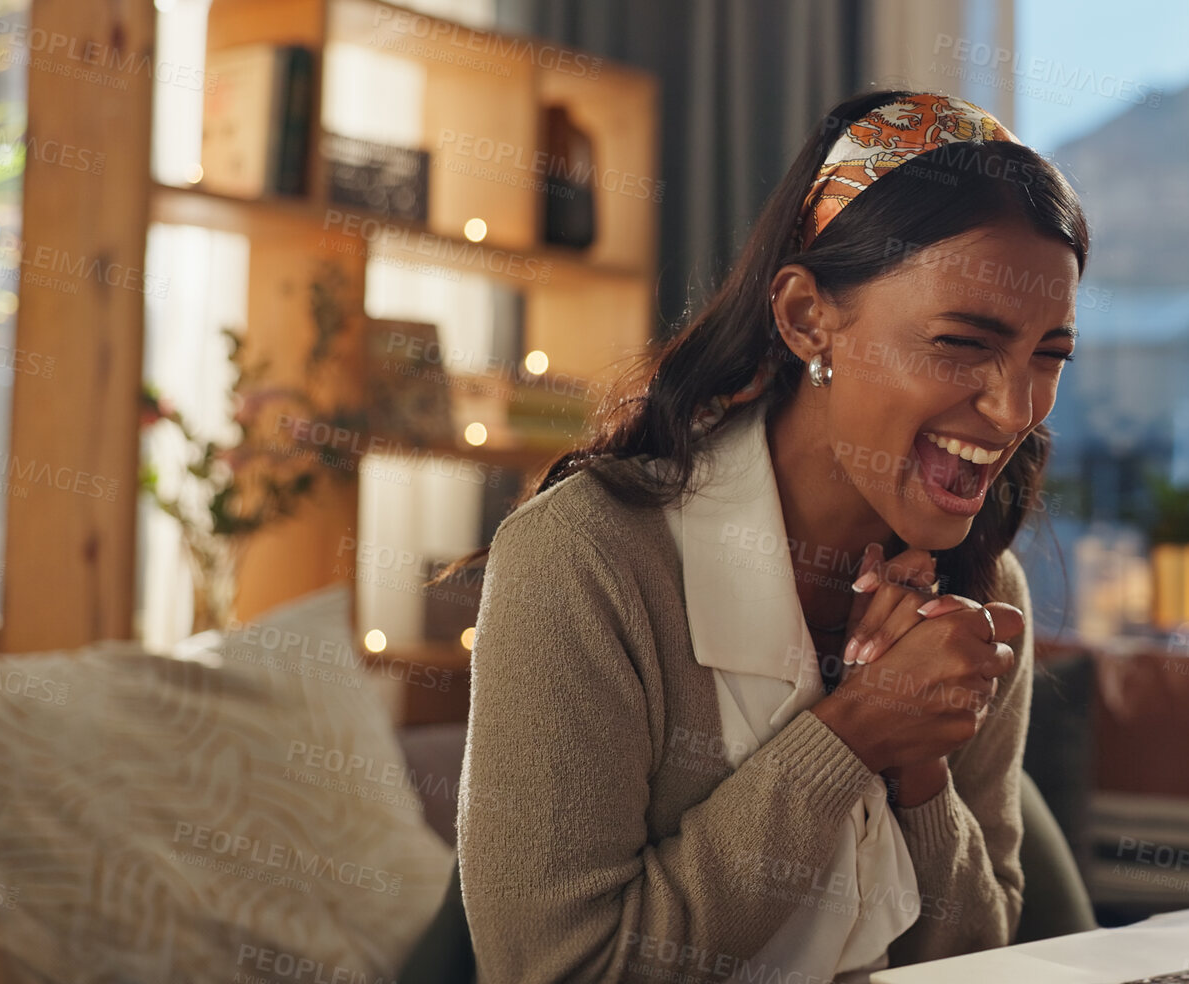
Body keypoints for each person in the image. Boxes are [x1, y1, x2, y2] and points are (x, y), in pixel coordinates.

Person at [453, 90, 1089, 984]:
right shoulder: (585, 560)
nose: (1013, 408)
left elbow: (976, 961)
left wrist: (920, 774)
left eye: (1048, 356)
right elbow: (564, 970)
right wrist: (857, 731)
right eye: (960, 343)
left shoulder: (983, 591)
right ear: (804, 319)